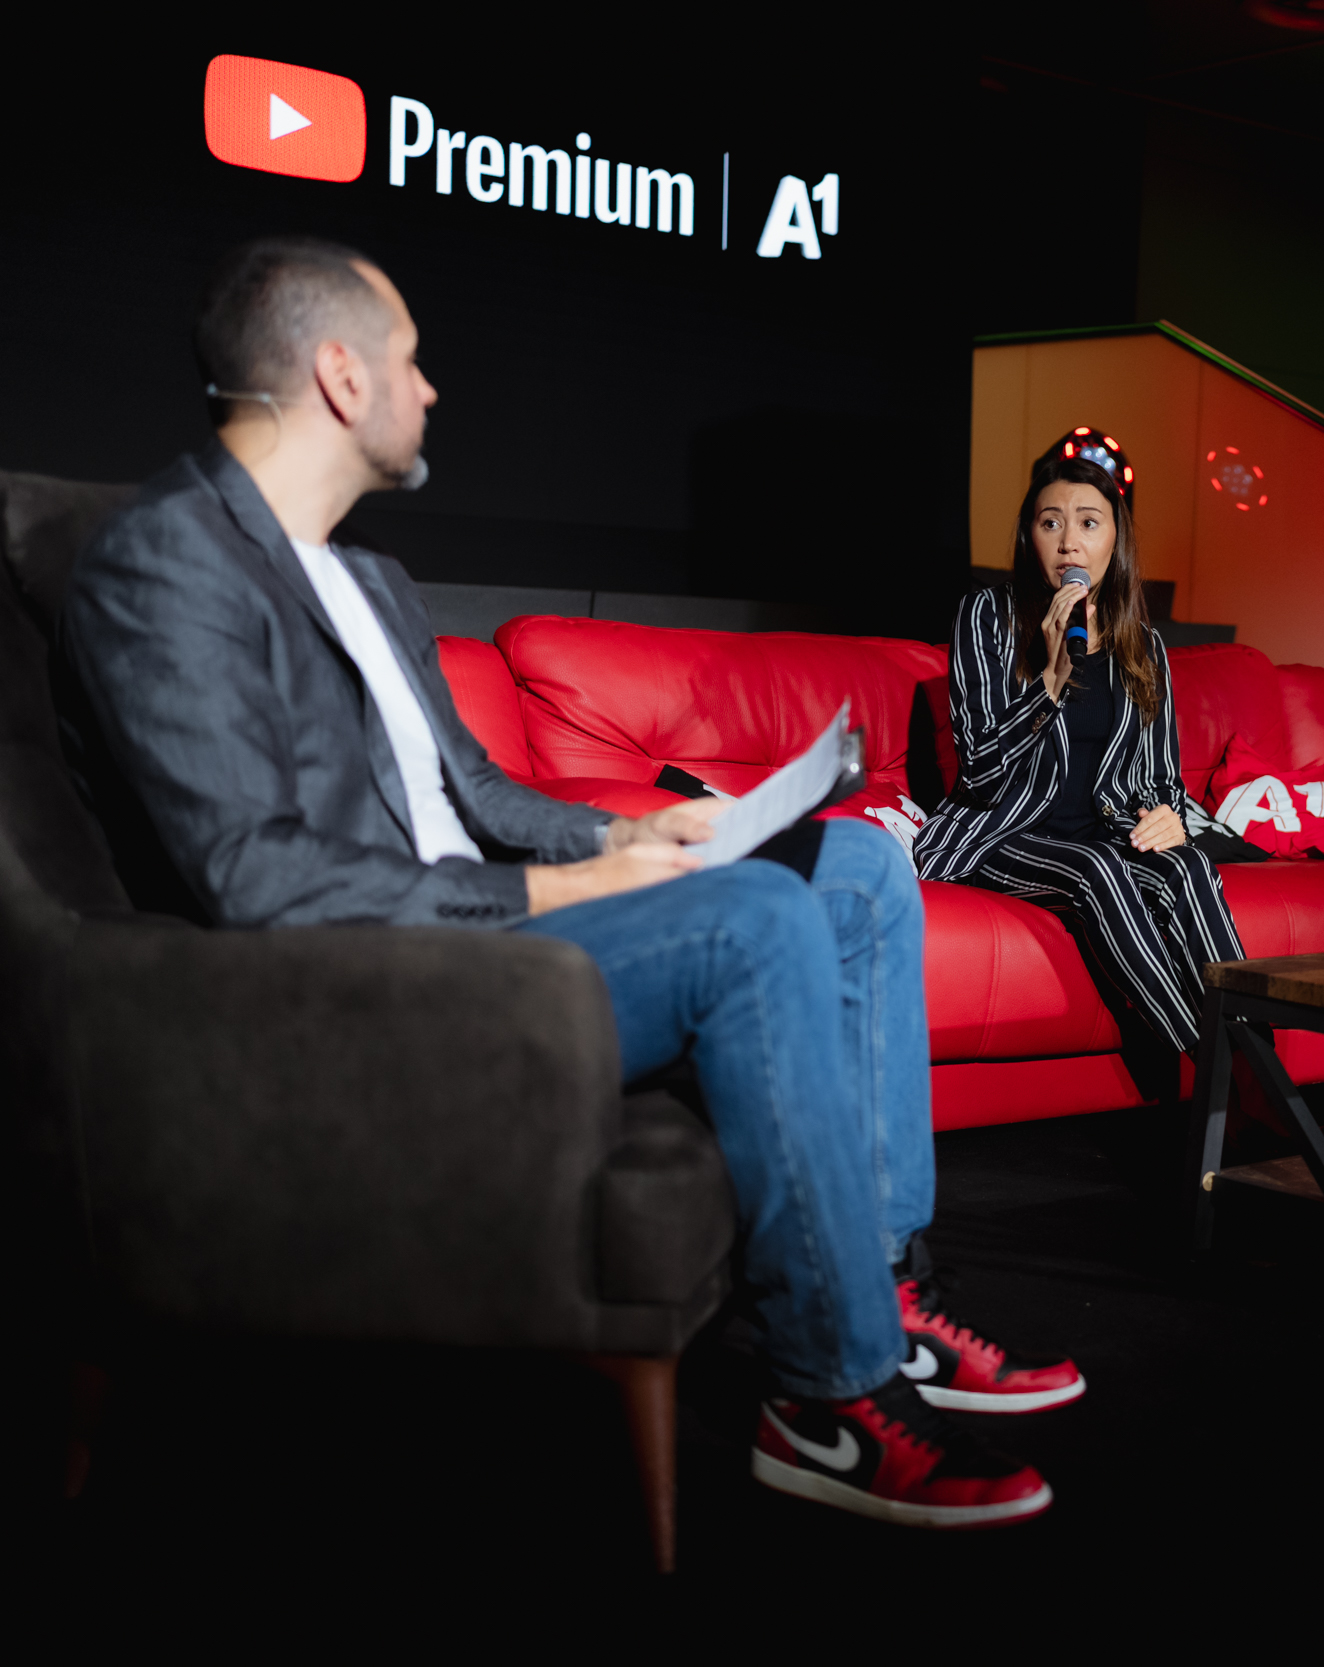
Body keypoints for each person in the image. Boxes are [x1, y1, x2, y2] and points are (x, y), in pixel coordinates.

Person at [56, 236, 1079, 1529]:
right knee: (761, 918)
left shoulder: (366, 572)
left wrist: (629, 834)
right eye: (411, 360)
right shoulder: (163, 559)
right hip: (374, 977)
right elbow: (258, 876)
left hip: (485, 928)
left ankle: (880, 1286)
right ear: (340, 375)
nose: (430, 389)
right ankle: (827, 1395)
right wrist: (560, 894)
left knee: (862, 864)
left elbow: (475, 791)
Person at [913, 455, 1246, 1092]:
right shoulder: (986, 616)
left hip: (1103, 833)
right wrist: (1049, 681)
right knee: (1099, 870)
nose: (1069, 541)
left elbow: (1162, 779)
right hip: (1000, 835)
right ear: (1029, 538)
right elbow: (979, 771)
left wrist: (1167, 818)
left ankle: (1254, 1050)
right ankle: (1224, 1076)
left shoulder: (1142, 643)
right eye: (1051, 523)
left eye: (1089, 523)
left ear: (1114, 542)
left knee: (1190, 866)